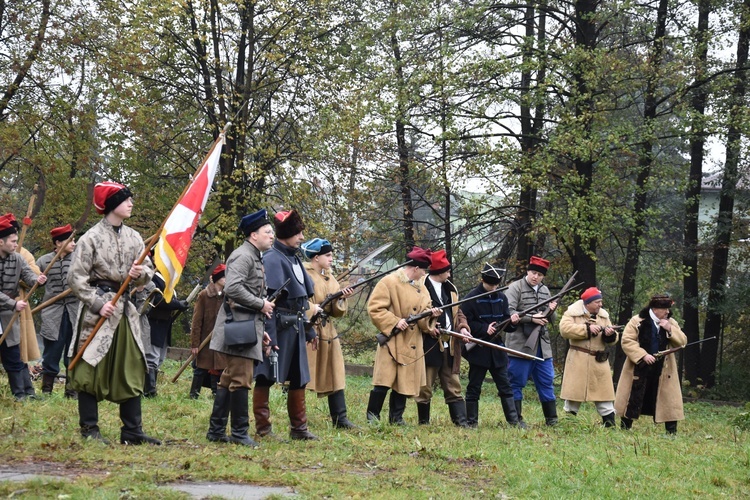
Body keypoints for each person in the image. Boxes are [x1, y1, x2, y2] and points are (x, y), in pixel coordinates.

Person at [67, 181, 160, 445]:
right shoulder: (91, 238)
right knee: (89, 368)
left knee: (131, 366)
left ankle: (132, 430)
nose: (131, 203)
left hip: (125, 313)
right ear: (111, 205)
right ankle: (89, 429)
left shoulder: (134, 237)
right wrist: (97, 303)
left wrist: (139, 274)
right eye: (126, 199)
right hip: (98, 314)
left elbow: (149, 271)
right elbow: (76, 279)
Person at [207, 210, 274, 446]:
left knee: (229, 379)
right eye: (267, 232)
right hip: (238, 326)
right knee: (242, 379)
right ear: (254, 235)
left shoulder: (253, 255)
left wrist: (260, 325)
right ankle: (239, 433)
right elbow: (233, 289)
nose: (272, 236)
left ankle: (216, 432)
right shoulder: (243, 256)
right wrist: (262, 305)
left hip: (245, 325)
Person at [253, 209, 319, 441]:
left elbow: (300, 300)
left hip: (296, 327)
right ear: (288, 233)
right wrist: (268, 337)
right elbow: (269, 303)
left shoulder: (293, 258)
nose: (301, 237)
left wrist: (309, 330)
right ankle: (263, 429)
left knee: (298, 376)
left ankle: (299, 429)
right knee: (266, 376)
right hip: (277, 328)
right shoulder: (272, 259)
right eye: (298, 233)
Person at [366, 247, 441, 425]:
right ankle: (372, 416)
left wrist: (432, 315)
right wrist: (394, 322)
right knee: (383, 382)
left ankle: (396, 418)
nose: (425, 274)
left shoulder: (422, 288)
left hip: (412, 342)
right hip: (392, 340)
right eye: (424, 270)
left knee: (404, 382)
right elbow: (375, 309)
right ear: (415, 268)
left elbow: (423, 319)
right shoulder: (389, 282)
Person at [301, 238, 357, 429]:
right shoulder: (304, 275)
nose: (331, 259)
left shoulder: (331, 278)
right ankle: (298, 420)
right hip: (309, 331)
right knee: (302, 375)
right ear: (316, 258)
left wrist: (341, 299)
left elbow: (336, 311)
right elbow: (299, 301)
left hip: (328, 331)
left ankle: (340, 419)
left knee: (335, 373)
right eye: (328, 255)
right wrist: (313, 308)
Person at [460, 263, 524, 428]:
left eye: (496, 284)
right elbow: (466, 322)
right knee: (474, 386)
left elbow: (506, 323)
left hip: (496, 349)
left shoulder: (501, 297)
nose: (494, 287)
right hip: (479, 349)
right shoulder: (471, 298)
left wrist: (513, 321)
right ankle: (471, 422)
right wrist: (483, 328)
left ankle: (514, 421)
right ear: (483, 280)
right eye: (491, 284)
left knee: (505, 386)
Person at [614, 294, 687, 435]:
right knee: (632, 397)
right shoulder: (637, 321)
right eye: (664, 309)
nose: (667, 312)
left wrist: (670, 329)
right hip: (638, 367)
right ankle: (625, 428)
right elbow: (627, 341)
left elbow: (683, 342)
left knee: (668, 400)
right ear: (655, 309)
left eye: (668, 309)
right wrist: (643, 355)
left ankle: (671, 433)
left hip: (664, 369)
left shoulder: (671, 322)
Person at [415, 249, 470, 427]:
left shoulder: (450, 288)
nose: (449, 273)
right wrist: (430, 324)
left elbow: (458, 312)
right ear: (439, 271)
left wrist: (462, 328)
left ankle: (461, 422)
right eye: (447, 270)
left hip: (450, 343)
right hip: (429, 343)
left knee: (453, 385)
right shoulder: (420, 287)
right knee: (425, 386)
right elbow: (416, 313)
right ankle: (423, 422)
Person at [506, 255, 558, 426]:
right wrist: (531, 318)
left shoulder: (544, 291)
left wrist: (552, 310)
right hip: (520, 344)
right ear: (528, 271)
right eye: (533, 272)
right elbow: (509, 312)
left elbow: (553, 319)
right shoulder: (515, 287)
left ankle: (552, 419)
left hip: (542, 344)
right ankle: (516, 419)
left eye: (539, 275)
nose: (536, 277)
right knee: (516, 381)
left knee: (546, 381)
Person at [0, 213, 46, 400]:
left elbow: (29, 276)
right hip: (10, 306)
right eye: (12, 241)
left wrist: (39, 280)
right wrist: (13, 303)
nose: (15, 244)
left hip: (7, 314)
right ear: (0, 242)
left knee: (12, 353)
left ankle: (21, 394)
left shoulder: (18, 258)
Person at [558, 287, 617, 427]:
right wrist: (586, 329)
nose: (600, 305)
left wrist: (610, 335)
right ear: (588, 303)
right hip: (578, 359)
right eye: (597, 302)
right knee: (573, 396)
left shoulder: (603, 316)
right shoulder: (572, 313)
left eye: (601, 302)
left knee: (604, 396)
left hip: (599, 360)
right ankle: (569, 425)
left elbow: (613, 338)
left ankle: (610, 426)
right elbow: (564, 330)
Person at [37, 224, 79, 398]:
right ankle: (47, 391)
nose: (74, 244)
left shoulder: (79, 259)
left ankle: (71, 390)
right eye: (71, 241)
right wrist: (37, 280)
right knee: (52, 351)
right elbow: (30, 279)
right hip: (52, 312)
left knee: (74, 349)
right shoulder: (44, 261)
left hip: (75, 311)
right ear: (59, 243)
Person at [143, 270, 188, 398]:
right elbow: (157, 299)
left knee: (159, 359)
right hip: (154, 324)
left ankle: (151, 389)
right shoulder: (153, 278)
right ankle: (148, 391)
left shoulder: (168, 281)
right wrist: (176, 304)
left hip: (164, 325)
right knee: (152, 358)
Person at [189, 263, 227, 399]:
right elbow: (196, 321)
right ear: (217, 278)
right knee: (201, 368)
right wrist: (195, 343)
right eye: (224, 276)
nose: (226, 278)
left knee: (219, 367)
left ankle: (216, 393)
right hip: (205, 339)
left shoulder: (227, 296)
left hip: (221, 339)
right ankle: (194, 394)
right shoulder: (204, 295)